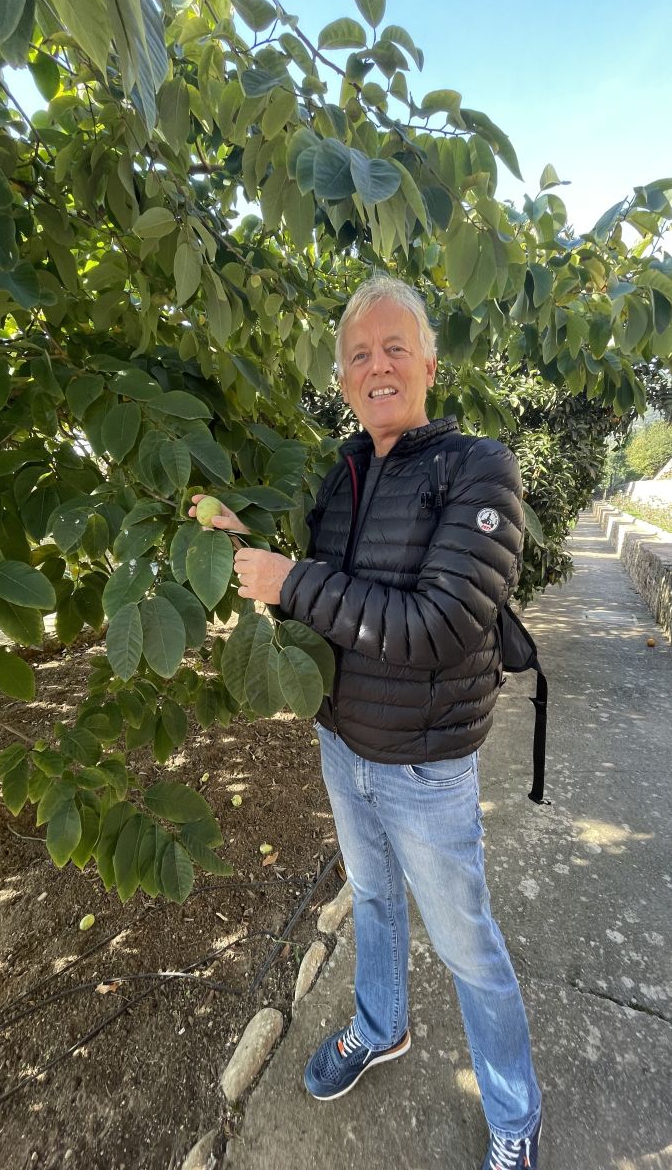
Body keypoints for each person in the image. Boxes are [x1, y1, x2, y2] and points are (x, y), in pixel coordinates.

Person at [191, 276, 542, 1170]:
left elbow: (440, 626)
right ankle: (380, 1027)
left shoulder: (478, 468)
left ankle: (512, 1114)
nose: (376, 366)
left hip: (425, 767)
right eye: (358, 355)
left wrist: (290, 581)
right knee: (373, 902)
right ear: (343, 379)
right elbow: (322, 604)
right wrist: (246, 552)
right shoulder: (342, 472)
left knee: (468, 948)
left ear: (428, 361)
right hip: (342, 742)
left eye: (394, 348)